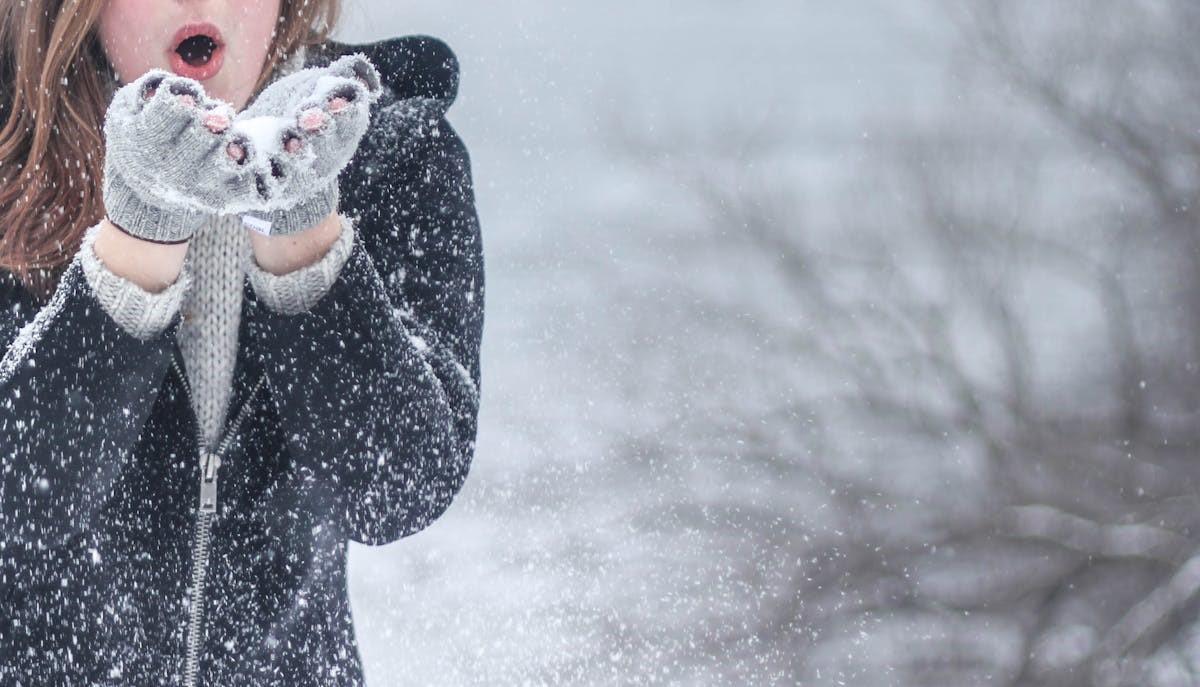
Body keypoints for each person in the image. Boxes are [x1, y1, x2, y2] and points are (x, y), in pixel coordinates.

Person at [0, 0, 485, 684]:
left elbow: (397, 490)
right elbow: (18, 501)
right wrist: (138, 239)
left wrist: (303, 233)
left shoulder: (393, 156)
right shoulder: (9, 153)